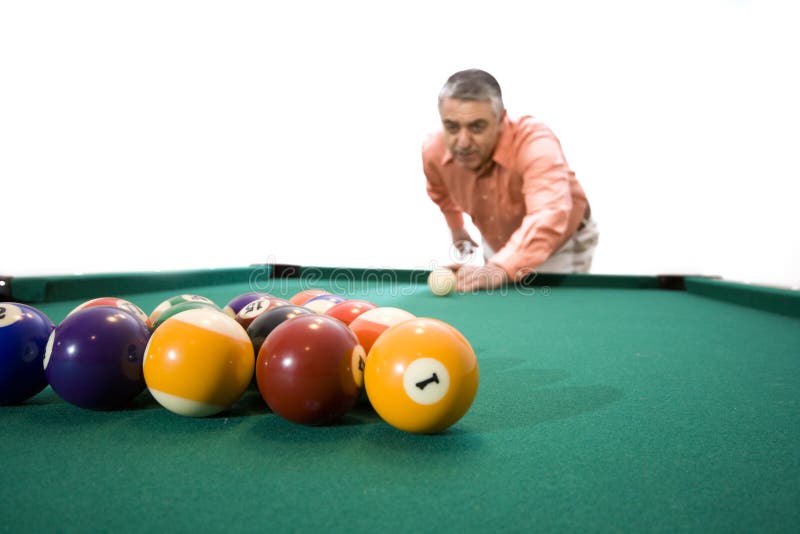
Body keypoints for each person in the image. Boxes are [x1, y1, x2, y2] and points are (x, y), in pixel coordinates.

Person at [423, 69, 598, 292]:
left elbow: (549, 215)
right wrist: (457, 228)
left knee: (547, 314)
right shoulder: (433, 151)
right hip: (499, 242)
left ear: (501, 119)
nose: (463, 142)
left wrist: (499, 267)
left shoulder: (536, 143)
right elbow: (440, 192)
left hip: (560, 243)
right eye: (452, 127)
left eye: (477, 127)